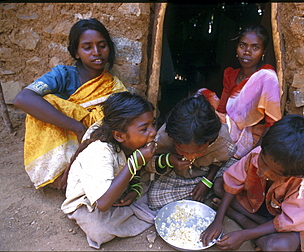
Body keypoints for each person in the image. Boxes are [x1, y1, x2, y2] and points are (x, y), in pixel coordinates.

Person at [13, 18, 128, 190]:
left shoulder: (114, 86)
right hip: (68, 137)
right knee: (45, 102)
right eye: (87, 47)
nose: (96, 52)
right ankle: (59, 174)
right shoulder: (63, 75)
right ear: (76, 52)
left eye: (102, 46)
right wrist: (78, 127)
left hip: (93, 142)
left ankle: (85, 174)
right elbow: (23, 98)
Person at [200, 114, 304, 251]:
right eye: (263, 162)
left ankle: (241, 218)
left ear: (295, 174)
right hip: (253, 203)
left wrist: (244, 235)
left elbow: (289, 221)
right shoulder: (261, 153)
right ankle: (254, 225)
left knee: (274, 246)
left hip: (281, 219)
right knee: (219, 185)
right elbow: (233, 181)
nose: (264, 172)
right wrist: (218, 220)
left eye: (275, 173)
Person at [61, 92, 157, 249]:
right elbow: (103, 204)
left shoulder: (133, 143)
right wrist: (136, 161)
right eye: (144, 128)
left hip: (113, 188)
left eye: (153, 124)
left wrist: (134, 188)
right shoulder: (99, 152)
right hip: (90, 201)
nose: (153, 132)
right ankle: (136, 212)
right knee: (99, 230)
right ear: (119, 135)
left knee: (148, 181)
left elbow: (137, 171)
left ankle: (131, 204)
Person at [198, 24, 282, 160]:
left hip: (250, 139)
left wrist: (254, 155)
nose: (247, 52)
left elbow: (272, 124)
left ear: (264, 51)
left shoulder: (266, 78)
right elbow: (222, 109)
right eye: (243, 46)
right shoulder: (231, 74)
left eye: (255, 47)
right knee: (200, 95)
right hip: (228, 130)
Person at [146, 94, 237, 210]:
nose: (190, 157)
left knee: (234, 168)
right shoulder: (165, 137)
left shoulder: (220, 139)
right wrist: (168, 160)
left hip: (208, 171)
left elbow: (221, 161)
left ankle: (207, 190)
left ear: (210, 140)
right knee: (155, 198)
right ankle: (207, 194)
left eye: (198, 151)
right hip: (179, 173)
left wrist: (207, 181)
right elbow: (148, 163)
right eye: (181, 150)